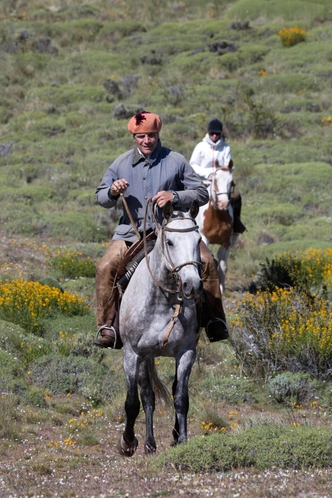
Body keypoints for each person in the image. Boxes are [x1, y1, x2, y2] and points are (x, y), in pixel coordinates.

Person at [94, 111, 229, 349]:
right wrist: (113, 191)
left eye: (152, 135)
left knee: (208, 263)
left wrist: (174, 196)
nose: (147, 141)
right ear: (134, 137)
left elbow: (201, 192)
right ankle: (108, 327)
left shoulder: (175, 161)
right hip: (131, 233)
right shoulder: (121, 163)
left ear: (158, 135)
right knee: (105, 268)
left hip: (174, 230)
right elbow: (101, 197)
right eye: (141, 136)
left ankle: (214, 320)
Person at [189, 118, 246, 234]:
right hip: (202, 180)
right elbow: (193, 165)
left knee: (236, 196)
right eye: (212, 133)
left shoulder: (226, 147)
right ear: (208, 132)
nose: (214, 136)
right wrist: (209, 173)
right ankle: (188, 222)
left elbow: (229, 165)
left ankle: (236, 224)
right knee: (189, 197)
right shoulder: (200, 146)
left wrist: (221, 173)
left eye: (217, 134)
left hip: (221, 181)